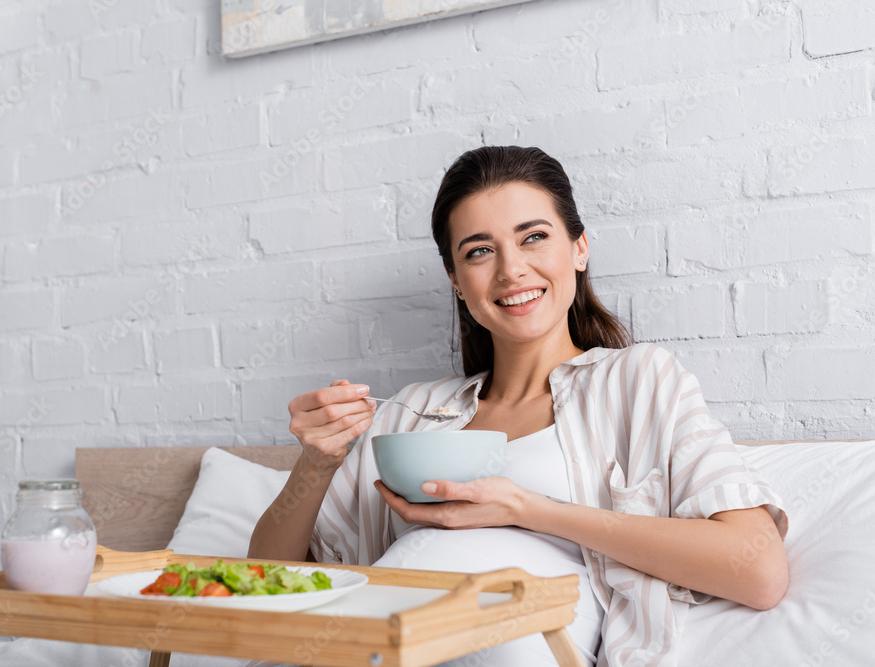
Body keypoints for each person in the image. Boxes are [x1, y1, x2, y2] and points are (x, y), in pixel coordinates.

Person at [247, 145, 789, 667]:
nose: (511, 271)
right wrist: (316, 464)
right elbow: (266, 588)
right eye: (479, 251)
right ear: (456, 282)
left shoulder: (638, 381)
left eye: (533, 237)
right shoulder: (411, 413)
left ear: (579, 248)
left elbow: (758, 569)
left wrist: (527, 509)